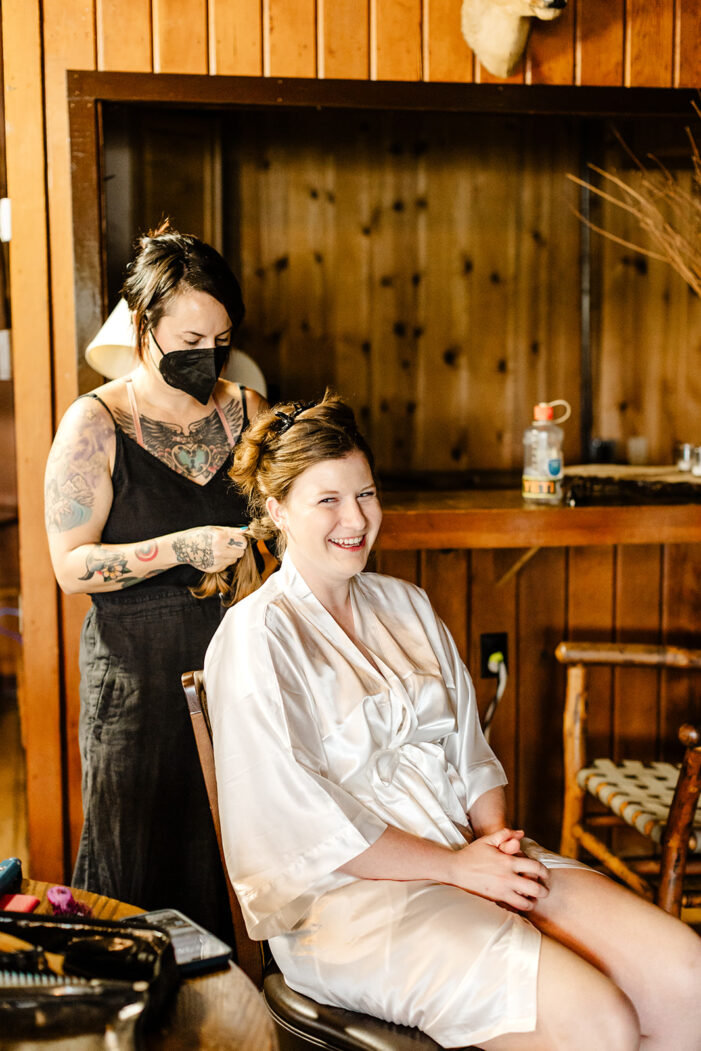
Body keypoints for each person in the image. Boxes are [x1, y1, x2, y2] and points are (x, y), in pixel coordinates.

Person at [204, 392, 701, 1050]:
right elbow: (308, 828)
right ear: (276, 510)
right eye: (327, 499)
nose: (354, 518)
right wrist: (454, 869)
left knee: (686, 974)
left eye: (366, 493)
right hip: (348, 904)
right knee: (597, 1020)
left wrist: (494, 853)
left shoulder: (405, 605)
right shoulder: (256, 635)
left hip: (467, 853)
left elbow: (471, 753)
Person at [44, 221, 266, 938]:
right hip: (133, 679)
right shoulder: (96, 424)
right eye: (190, 343)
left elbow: (274, 527)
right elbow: (70, 565)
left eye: (221, 340)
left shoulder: (247, 411)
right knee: (134, 859)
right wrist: (179, 547)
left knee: (228, 853)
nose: (209, 358)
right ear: (143, 327)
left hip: (232, 672)